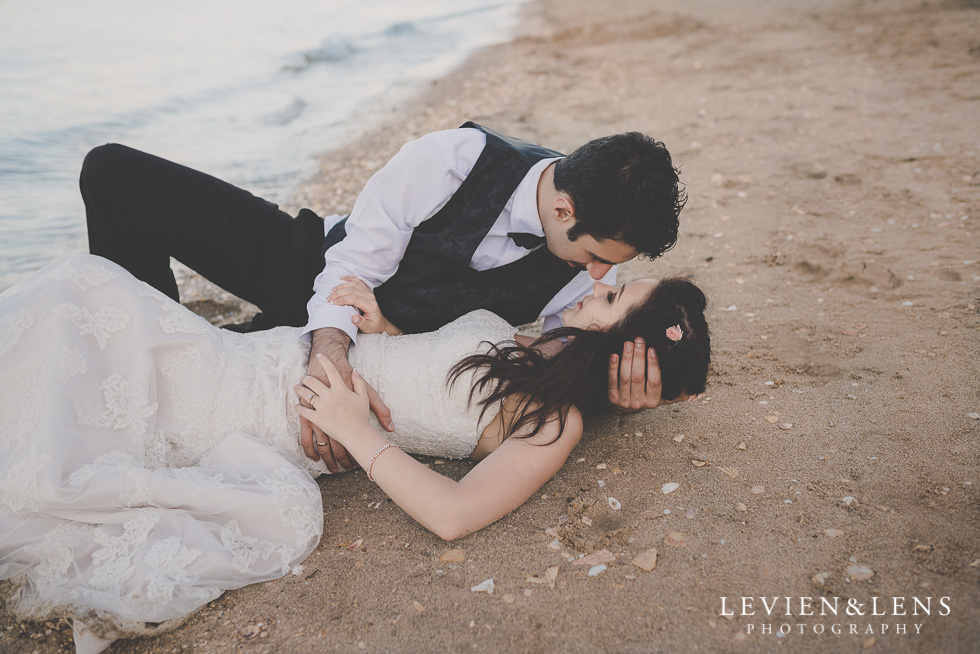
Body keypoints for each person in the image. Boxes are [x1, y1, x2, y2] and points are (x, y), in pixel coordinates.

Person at [0, 254, 710, 653]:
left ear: (618, 344)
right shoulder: (531, 343)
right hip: (258, 354)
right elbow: (431, 382)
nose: (596, 284)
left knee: (77, 397)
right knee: (84, 291)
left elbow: (455, 513)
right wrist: (383, 328)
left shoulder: (552, 421)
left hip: (271, 417)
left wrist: (354, 427)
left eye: (613, 296)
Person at [80, 122, 688, 473]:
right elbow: (350, 265)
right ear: (564, 210)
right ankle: (131, 343)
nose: (602, 276)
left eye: (614, 268)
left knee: (193, 390)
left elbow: (560, 359)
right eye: (600, 256)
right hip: (308, 271)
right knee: (113, 173)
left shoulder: (586, 274)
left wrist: (622, 385)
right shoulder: (451, 160)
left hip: (386, 353)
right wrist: (330, 356)